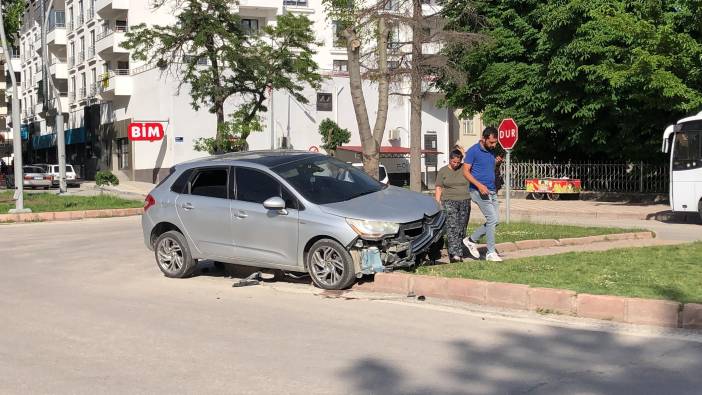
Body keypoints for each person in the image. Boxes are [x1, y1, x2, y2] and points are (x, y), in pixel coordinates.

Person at [462, 127, 502, 262]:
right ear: (484, 139)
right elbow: (466, 172)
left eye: (495, 142)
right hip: (478, 190)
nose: (493, 145)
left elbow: (488, 168)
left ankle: (470, 240)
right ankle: (491, 253)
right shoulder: (473, 151)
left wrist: (497, 163)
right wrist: (479, 185)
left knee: (495, 221)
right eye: (491, 142)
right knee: (492, 219)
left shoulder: (491, 151)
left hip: (491, 190)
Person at [434, 149, 471, 263]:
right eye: (453, 162)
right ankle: (454, 255)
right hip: (449, 201)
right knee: (452, 227)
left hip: (464, 201)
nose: (455, 164)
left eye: (458, 162)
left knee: (461, 227)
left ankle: (458, 251)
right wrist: (437, 202)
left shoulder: (464, 168)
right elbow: (439, 187)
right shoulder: (443, 171)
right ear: (450, 159)